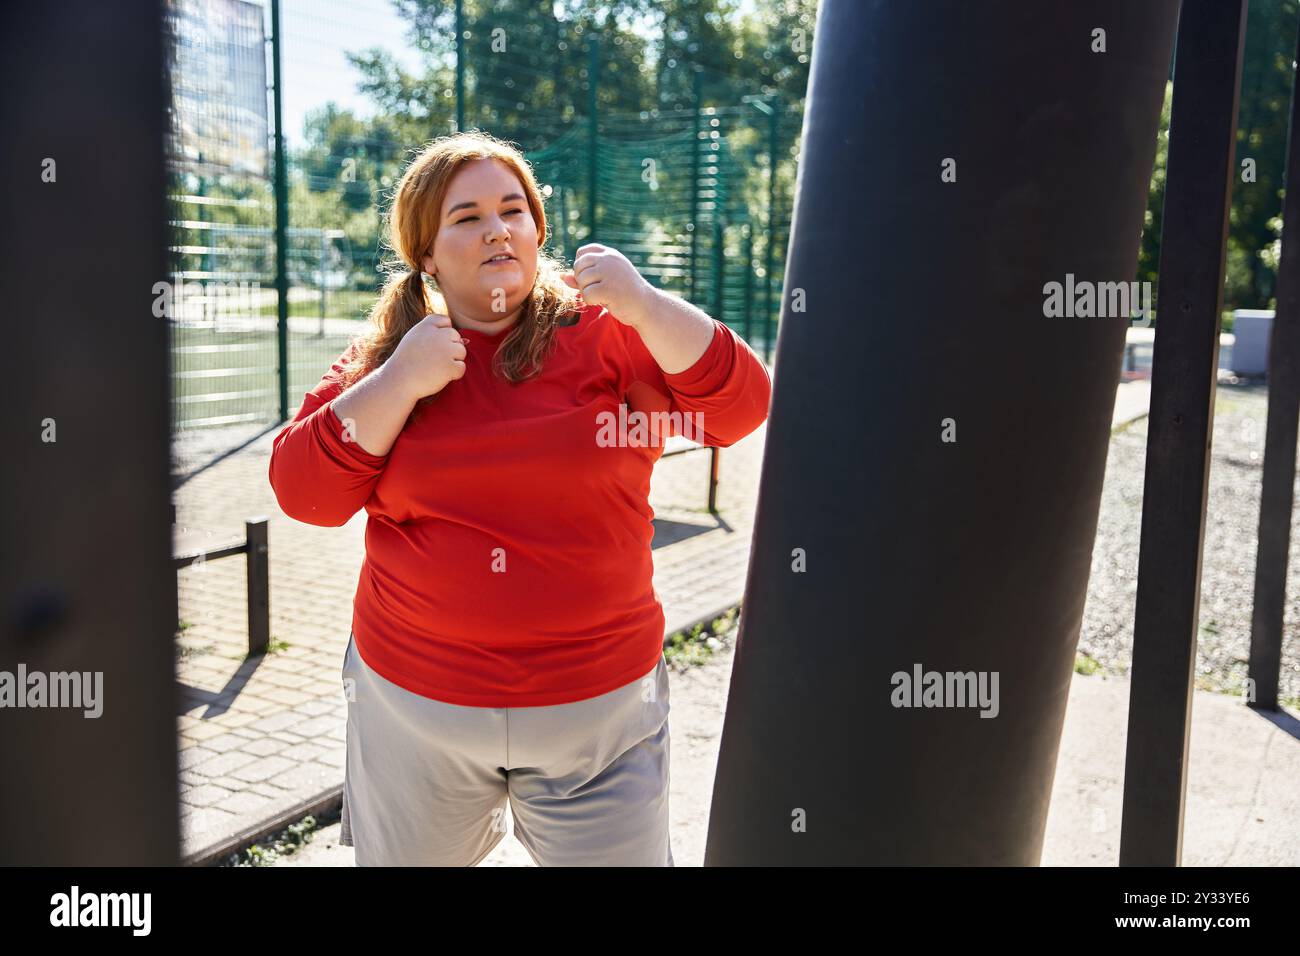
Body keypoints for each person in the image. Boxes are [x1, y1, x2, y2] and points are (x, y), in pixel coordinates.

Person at [267, 129, 771, 866]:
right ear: (427, 255)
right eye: (466, 217)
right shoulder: (392, 354)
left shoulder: (606, 333)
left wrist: (645, 302)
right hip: (415, 713)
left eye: (513, 209)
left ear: (538, 228)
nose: (497, 229)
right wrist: (402, 382)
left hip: (599, 716)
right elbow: (304, 493)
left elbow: (740, 409)